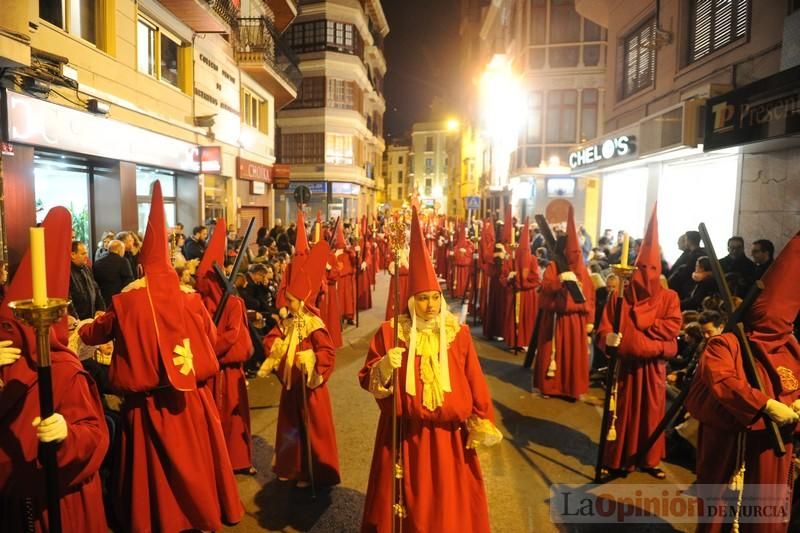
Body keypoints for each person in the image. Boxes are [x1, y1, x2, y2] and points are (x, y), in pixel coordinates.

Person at [78, 183, 243, 532]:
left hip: (147, 407)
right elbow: (211, 342)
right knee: (195, 467)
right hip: (190, 401)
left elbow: (93, 334)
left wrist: (81, 327)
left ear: (140, 266)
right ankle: (201, 516)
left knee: (154, 479)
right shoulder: (192, 299)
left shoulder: (127, 301)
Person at [359, 205, 502, 533]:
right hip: (405, 433)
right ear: (411, 302)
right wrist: (383, 366)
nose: (431, 305)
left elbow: (473, 379)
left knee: (446, 507)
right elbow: (368, 377)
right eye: (422, 299)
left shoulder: (457, 333)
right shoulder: (392, 332)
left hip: (448, 437)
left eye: (434, 298)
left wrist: (481, 417)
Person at [0, 206, 109, 532]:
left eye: (10, 327)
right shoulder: (8, 362)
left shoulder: (63, 371)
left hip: (58, 499)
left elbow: (92, 433)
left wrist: (66, 435)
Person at [686, 231, 800, 533]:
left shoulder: (790, 346)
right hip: (729, 447)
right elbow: (723, 380)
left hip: (772, 450)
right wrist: (765, 404)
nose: (780, 326)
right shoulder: (727, 343)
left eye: (786, 320)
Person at [258, 239, 340, 519]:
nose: (287, 304)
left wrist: (314, 360)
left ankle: (309, 470)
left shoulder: (314, 324)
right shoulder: (290, 321)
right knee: (290, 427)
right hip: (291, 386)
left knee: (308, 429)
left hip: (309, 387)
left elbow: (327, 351)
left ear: (301, 301)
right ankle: (289, 467)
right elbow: (273, 338)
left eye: (291, 301)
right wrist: (276, 349)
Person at [597, 207, 682, 479]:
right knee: (622, 413)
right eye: (643, 267)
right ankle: (618, 458)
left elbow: (672, 327)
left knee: (652, 413)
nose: (647, 273)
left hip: (653, 369)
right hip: (626, 368)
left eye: (653, 268)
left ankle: (650, 458)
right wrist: (608, 339)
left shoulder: (669, 297)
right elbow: (606, 326)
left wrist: (643, 329)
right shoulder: (620, 295)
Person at [195, 217, 255, 475]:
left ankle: (238, 460)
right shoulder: (198, 303)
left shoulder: (232, 304)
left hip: (227, 369)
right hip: (210, 369)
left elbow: (232, 335)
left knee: (233, 415)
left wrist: (210, 349)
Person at [532, 206, 595, 401]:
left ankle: (570, 388)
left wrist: (589, 321)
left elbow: (590, 298)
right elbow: (545, 289)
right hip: (555, 319)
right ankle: (550, 387)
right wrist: (559, 281)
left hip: (575, 321)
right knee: (553, 352)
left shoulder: (584, 272)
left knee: (572, 356)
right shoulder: (553, 266)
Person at [502, 219, 540, 351]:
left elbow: (535, 278)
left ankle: (524, 341)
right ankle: (514, 341)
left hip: (528, 295)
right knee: (513, 318)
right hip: (514, 293)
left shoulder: (533, 260)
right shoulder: (512, 259)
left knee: (527, 319)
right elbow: (504, 276)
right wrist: (509, 277)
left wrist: (519, 278)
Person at [69, 240, 106, 320]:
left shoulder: (87, 268)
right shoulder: (68, 273)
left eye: (86, 253)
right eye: (83, 253)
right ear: (73, 255)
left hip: (91, 317)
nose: (87, 256)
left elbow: (96, 289)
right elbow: (69, 299)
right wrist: (76, 319)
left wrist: (101, 309)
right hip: (78, 320)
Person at [93, 239, 135, 306]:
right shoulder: (123, 261)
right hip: (118, 299)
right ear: (119, 250)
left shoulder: (97, 262)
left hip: (102, 299)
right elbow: (129, 281)